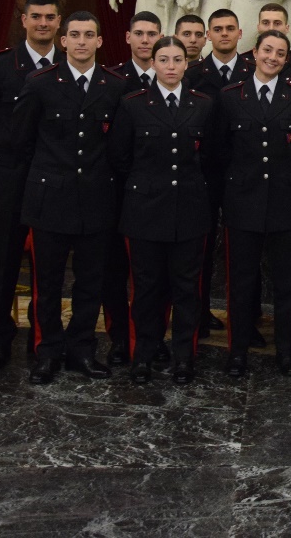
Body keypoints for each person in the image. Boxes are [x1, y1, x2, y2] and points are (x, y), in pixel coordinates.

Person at [9, 11, 128, 385]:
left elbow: (120, 147)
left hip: (96, 199)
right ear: (63, 41)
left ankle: (82, 350)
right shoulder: (40, 83)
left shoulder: (115, 86)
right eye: (74, 35)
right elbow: (21, 143)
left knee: (90, 283)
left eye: (88, 35)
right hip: (51, 201)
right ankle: (46, 353)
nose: (80, 41)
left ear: (99, 42)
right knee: (47, 283)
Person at [109, 36, 215, 386]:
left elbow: (213, 159)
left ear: (187, 64)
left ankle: (185, 357)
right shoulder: (133, 104)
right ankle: (144, 355)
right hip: (144, 212)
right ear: (152, 63)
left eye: (178, 59)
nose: (171, 66)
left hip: (190, 211)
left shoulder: (203, 104)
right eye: (164, 59)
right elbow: (120, 158)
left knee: (187, 290)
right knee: (146, 289)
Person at [0, 0, 61, 370]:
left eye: (50, 17)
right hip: (8, 180)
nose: (42, 23)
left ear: (59, 22)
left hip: (50, 182)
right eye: (35, 16)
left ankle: (42, 340)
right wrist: (2, 158)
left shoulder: (68, 67)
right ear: (23, 20)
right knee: (3, 263)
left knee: (47, 266)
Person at [214, 30, 291, 378]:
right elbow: (220, 154)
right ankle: (237, 352)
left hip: (289, 205)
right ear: (254, 53)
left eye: (280, 53)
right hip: (243, 205)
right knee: (241, 284)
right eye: (267, 50)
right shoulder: (230, 96)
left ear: (287, 59)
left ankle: (285, 352)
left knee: (288, 285)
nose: (273, 57)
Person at [98, 10, 165, 366]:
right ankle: (120, 338)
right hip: (118, 193)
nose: (145, 40)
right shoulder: (111, 80)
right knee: (115, 273)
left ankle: (153, 337)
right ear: (127, 38)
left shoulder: (173, 77)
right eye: (138, 33)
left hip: (160, 197)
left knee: (156, 275)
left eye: (152, 34)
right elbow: (114, 147)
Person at [185, 8, 254, 335]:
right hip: (203, 174)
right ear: (208, 35)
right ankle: (197, 314)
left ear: (240, 33)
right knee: (201, 247)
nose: (224, 34)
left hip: (245, 173)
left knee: (245, 254)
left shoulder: (255, 71)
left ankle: (247, 321)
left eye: (230, 28)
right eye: (217, 29)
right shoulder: (192, 73)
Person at [255, 2, 291, 82]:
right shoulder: (243, 62)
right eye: (265, 23)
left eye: (277, 23)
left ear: (287, 28)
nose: (271, 28)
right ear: (258, 27)